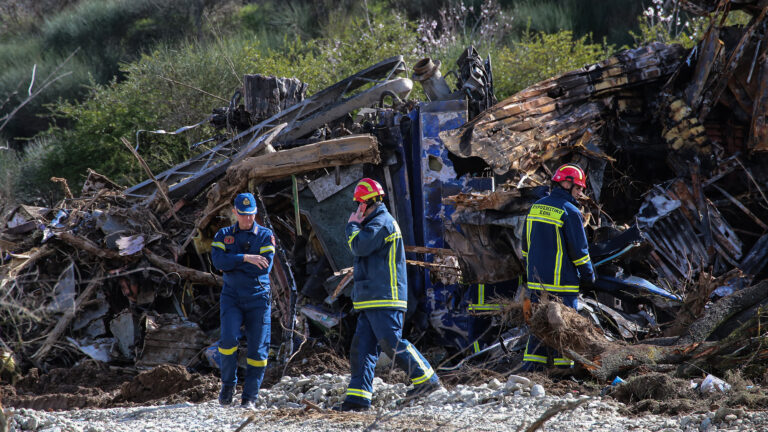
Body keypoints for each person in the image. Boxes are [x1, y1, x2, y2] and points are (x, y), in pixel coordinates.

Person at [335, 178, 441, 412]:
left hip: (385, 298)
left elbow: (358, 246)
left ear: (364, 205)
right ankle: (357, 400)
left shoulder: (382, 223)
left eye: (358, 205)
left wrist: (351, 225)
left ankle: (427, 380)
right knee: (362, 349)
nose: (356, 210)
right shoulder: (375, 223)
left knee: (392, 343)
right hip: (371, 299)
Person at [521, 164, 595, 371]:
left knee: (539, 324)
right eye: (578, 188)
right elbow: (579, 250)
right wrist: (588, 274)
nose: (581, 193)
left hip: (536, 281)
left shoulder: (535, 207)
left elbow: (524, 245)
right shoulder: (570, 211)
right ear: (566, 183)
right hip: (562, 282)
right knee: (565, 326)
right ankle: (563, 371)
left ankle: (533, 369)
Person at [210, 193, 276, 409]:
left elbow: (265, 266)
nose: (247, 219)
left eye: (251, 215)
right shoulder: (223, 234)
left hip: (258, 297)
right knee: (228, 342)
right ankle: (228, 385)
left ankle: (249, 398)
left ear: (255, 213)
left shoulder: (266, 236)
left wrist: (231, 263)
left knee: (258, 351)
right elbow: (217, 261)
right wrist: (246, 258)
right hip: (232, 297)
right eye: (243, 215)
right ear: (235, 213)